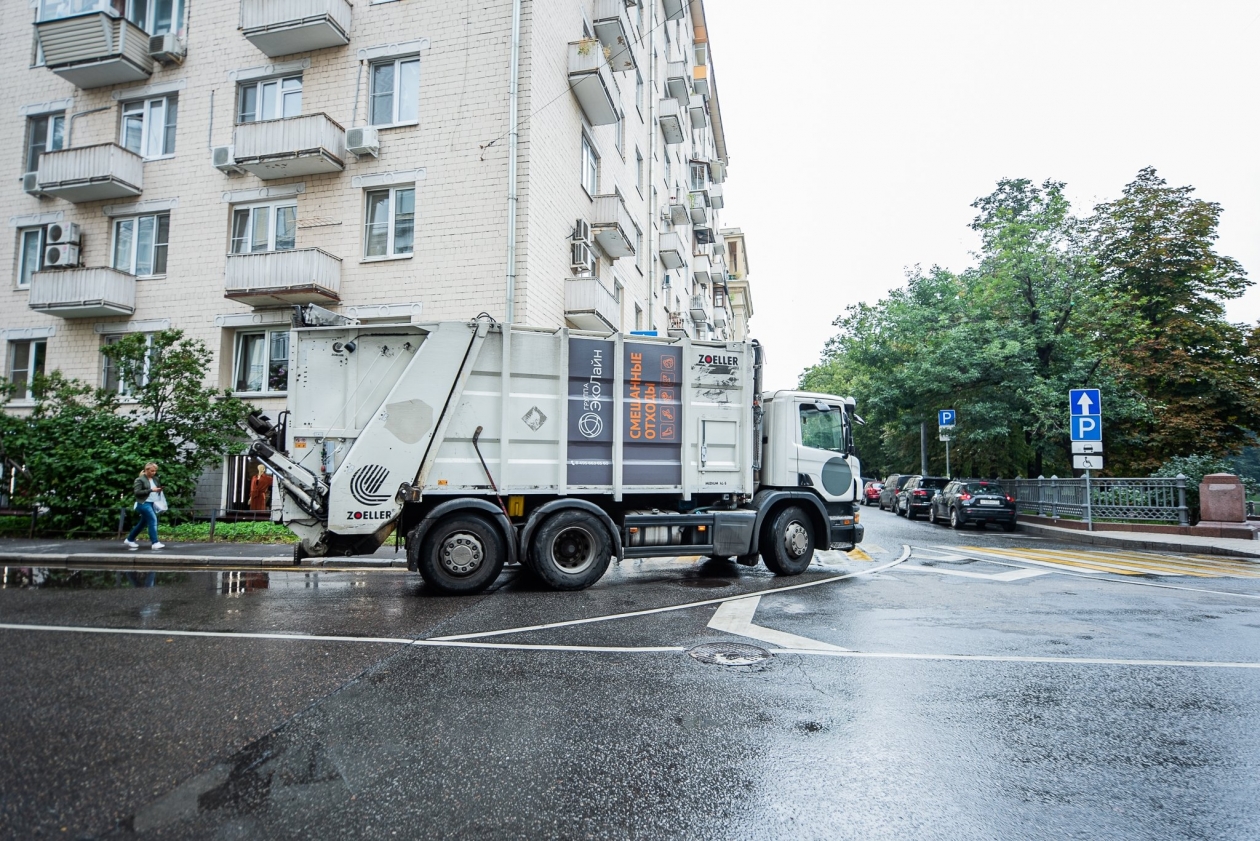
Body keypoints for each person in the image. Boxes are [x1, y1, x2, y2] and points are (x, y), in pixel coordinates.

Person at [123, 462, 166, 550]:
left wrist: (158, 490)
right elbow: (137, 492)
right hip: (143, 503)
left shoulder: (155, 479)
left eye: (155, 471)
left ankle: (129, 539)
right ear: (146, 470)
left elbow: (155, 489)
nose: (154, 473)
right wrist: (151, 490)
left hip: (152, 503)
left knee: (142, 523)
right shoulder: (140, 480)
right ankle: (155, 542)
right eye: (152, 471)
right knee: (153, 520)